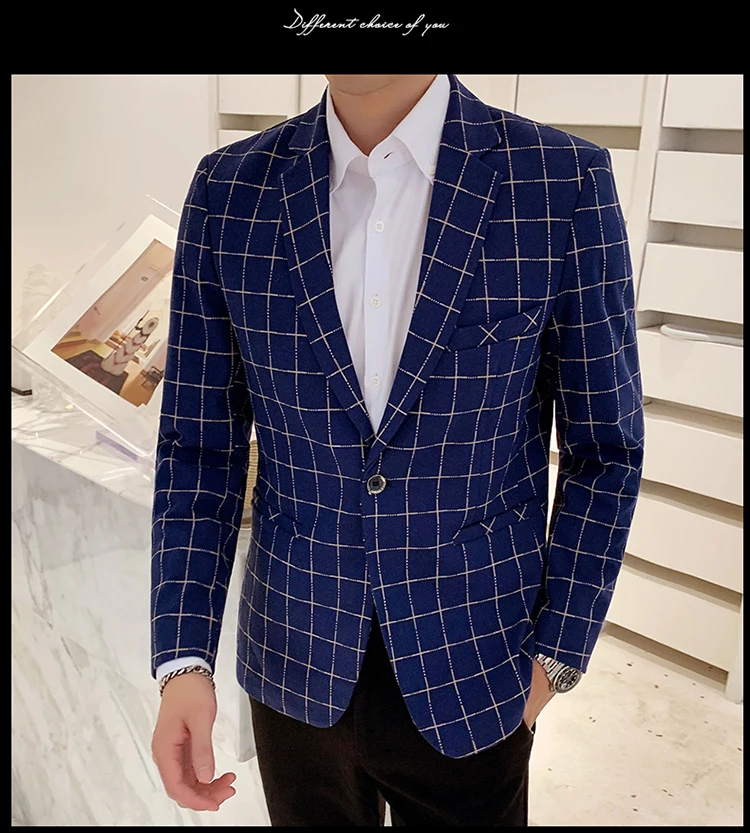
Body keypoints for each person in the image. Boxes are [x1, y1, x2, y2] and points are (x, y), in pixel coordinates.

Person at [150, 74, 644, 826]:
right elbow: (199, 446)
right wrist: (183, 658)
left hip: (479, 665)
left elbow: (605, 448)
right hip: (293, 662)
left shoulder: (558, 180)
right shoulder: (230, 190)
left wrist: (557, 655)